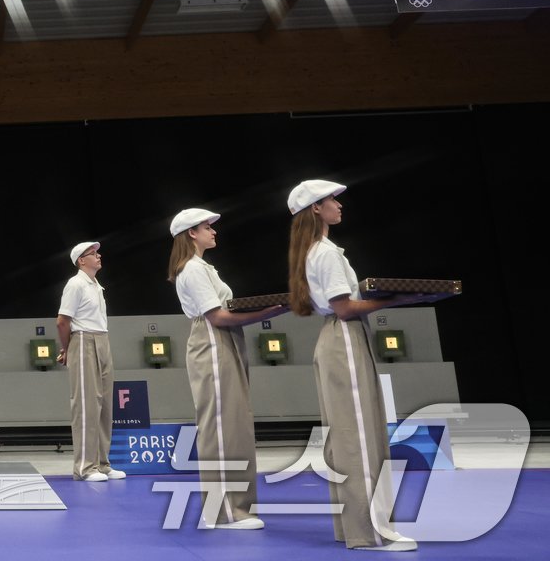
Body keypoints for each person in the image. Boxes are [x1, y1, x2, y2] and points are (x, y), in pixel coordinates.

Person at [288, 179, 424, 552]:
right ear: (316, 208)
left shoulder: (313, 250)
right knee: (359, 438)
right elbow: (344, 307)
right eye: (332, 199)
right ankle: (371, 532)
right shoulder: (326, 252)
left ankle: (352, 527)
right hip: (344, 335)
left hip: (336, 338)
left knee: (347, 437)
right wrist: (394, 300)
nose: (338, 204)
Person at [169, 208, 287, 529]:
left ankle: (238, 506)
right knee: (221, 427)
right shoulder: (192, 270)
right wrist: (270, 312)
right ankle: (224, 512)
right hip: (211, 340)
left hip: (226, 340)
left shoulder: (205, 268)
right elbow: (216, 316)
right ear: (192, 232)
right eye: (208, 227)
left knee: (234, 423)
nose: (214, 231)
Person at [56, 240, 124, 482]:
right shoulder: (75, 284)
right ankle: (85, 467)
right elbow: (63, 321)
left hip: (102, 340)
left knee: (105, 405)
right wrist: (68, 349)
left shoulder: (97, 285)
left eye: (97, 252)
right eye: (92, 253)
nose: (98, 256)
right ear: (81, 260)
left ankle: (102, 463)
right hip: (83, 340)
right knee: (86, 405)